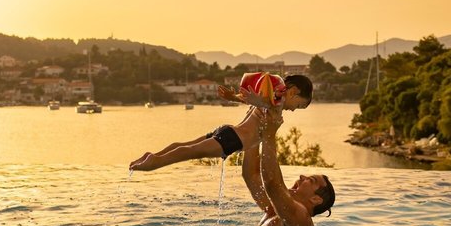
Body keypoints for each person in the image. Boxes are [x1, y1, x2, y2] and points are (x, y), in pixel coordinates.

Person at [129, 74, 313, 171]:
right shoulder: (277, 102)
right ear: (293, 92)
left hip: (228, 132)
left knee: (187, 145)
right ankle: (155, 161)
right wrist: (256, 100)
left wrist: (234, 97)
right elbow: (266, 103)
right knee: (190, 151)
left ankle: (153, 155)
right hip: (233, 140)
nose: (294, 110)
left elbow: (259, 101)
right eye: (299, 105)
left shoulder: (271, 95)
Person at [243, 108, 335, 226]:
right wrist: (254, 124)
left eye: (310, 180)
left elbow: (272, 184)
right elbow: (251, 175)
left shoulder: (302, 220)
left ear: (315, 199)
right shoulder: (274, 209)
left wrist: (269, 133)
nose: (302, 177)